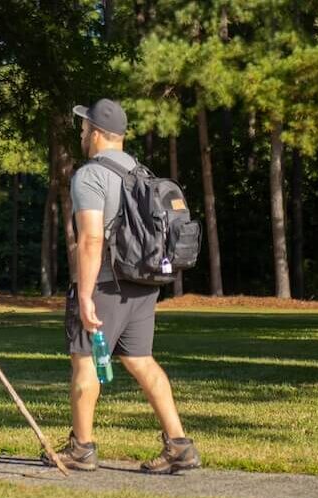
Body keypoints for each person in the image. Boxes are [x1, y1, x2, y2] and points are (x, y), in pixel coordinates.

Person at [57, 98, 201, 474]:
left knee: (85, 360)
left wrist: (85, 294)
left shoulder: (90, 175)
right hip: (143, 281)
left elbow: (90, 240)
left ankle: (81, 448)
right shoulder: (140, 172)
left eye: (86, 128)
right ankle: (179, 445)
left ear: (100, 134)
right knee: (141, 361)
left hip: (105, 282)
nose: (82, 133)